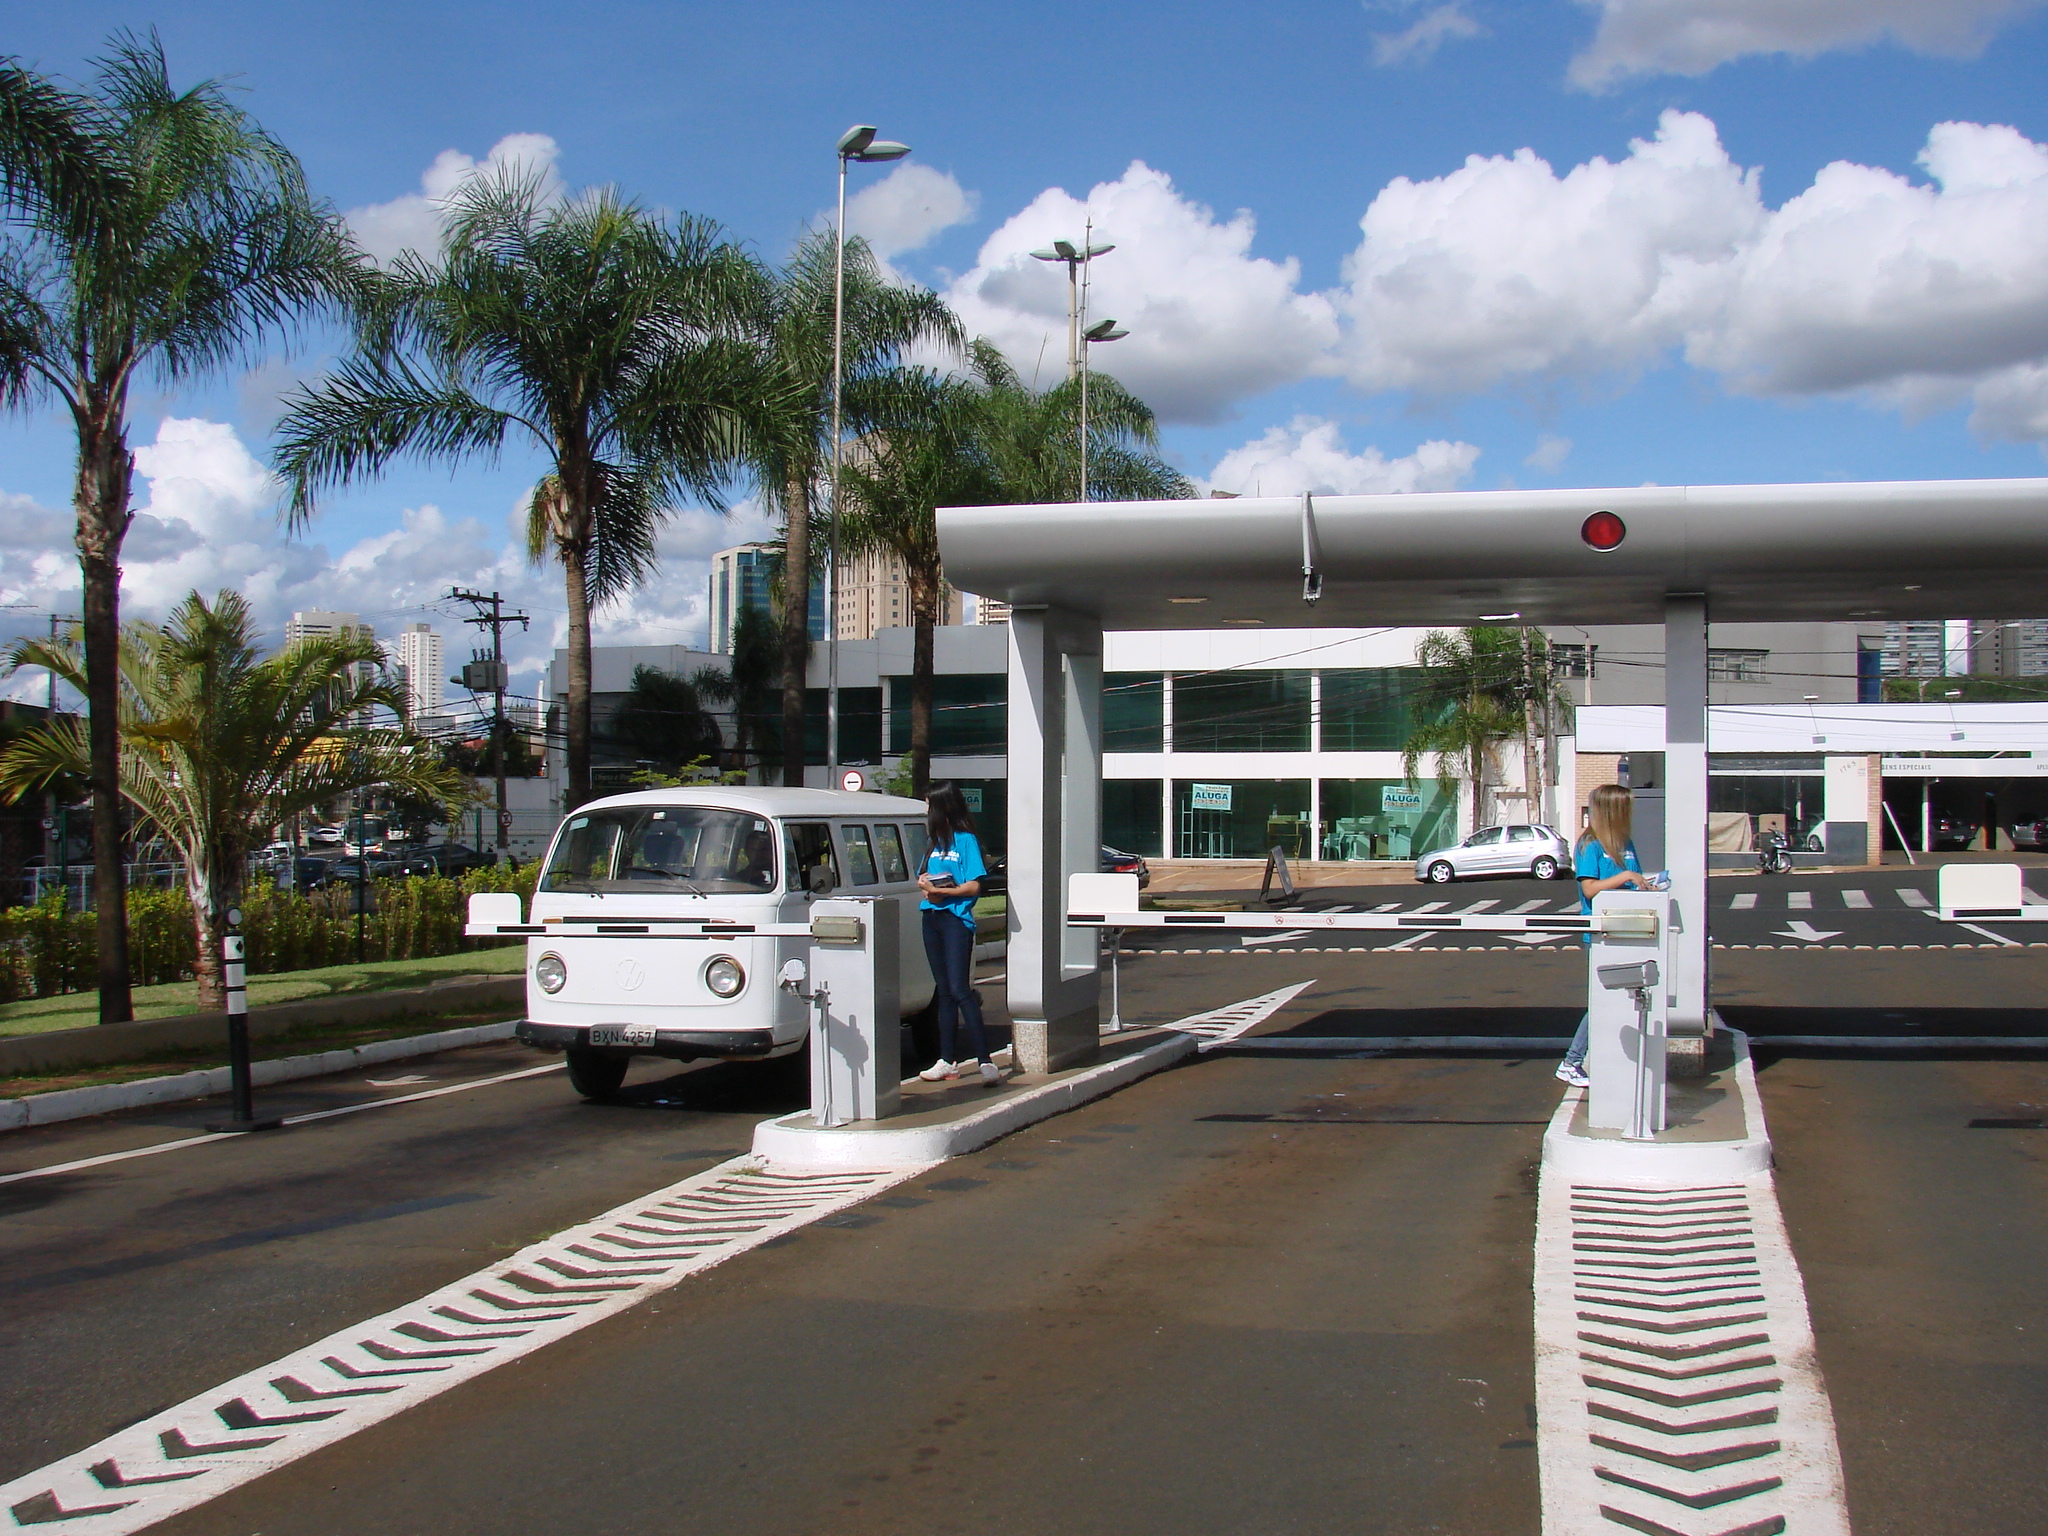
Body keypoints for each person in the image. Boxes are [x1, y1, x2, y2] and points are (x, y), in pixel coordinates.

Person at [1557, 783, 1645, 1088]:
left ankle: (1611, 1058)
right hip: (1600, 931)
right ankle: (1572, 1061)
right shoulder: (1590, 845)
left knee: (1624, 995)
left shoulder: (1625, 843)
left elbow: (1634, 880)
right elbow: (1590, 888)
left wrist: (1644, 884)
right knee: (1602, 998)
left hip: (1626, 928)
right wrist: (1624, 877)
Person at [915, 782, 1002, 1086]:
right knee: (944, 991)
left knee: (960, 990)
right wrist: (926, 886)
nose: (926, 810)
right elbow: (922, 877)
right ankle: (947, 1060)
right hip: (931, 918)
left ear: (942, 806)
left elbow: (975, 885)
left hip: (956, 921)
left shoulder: (966, 841)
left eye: (929, 804)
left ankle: (985, 1061)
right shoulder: (933, 842)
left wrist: (944, 892)